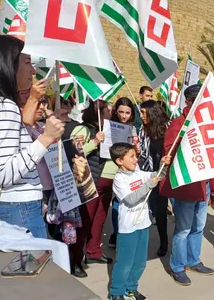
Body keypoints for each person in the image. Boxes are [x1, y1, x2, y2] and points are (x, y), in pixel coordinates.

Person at [0, 34, 64, 238]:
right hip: (17, 207)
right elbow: (5, 174)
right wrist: (46, 138)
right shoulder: (2, 105)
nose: (33, 71)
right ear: (8, 65)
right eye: (27, 63)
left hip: (10, 206)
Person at [160, 84, 214, 286]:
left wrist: (213, 186)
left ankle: (193, 260)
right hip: (185, 186)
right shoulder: (178, 124)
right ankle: (178, 266)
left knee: (198, 227)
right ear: (189, 102)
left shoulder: (206, 124)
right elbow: (169, 150)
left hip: (203, 186)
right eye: (198, 101)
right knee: (183, 229)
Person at [108, 142, 171, 300]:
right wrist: (150, 184)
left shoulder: (138, 172)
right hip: (128, 227)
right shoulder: (119, 179)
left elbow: (156, 175)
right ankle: (116, 294)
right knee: (125, 262)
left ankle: (131, 287)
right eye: (132, 157)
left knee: (140, 261)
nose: (136, 159)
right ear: (120, 161)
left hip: (143, 223)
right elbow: (130, 199)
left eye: (135, 156)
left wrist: (163, 165)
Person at [69, 100, 113, 273]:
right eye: (107, 110)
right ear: (98, 112)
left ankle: (93, 251)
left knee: (99, 219)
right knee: (84, 222)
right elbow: (75, 151)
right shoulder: (83, 129)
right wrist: (94, 142)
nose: (111, 112)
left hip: (104, 180)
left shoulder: (107, 129)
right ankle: (75, 260)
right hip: (89, 182)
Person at [139, 100, 171, 257]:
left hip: (168, 174)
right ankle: (163, 241)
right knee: (158, 211)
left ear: (152, 113)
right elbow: (143, 154)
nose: (141, 116)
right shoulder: (142, 130)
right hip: (151, 174)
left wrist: (168, 158)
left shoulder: (168, 127)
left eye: (143, 113)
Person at [107, 97, 139, 249]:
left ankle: (122, 233)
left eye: (127, 112)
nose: (124, 116)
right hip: (110, 169)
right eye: (121, 112)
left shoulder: (133, 128)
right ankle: (116, 233)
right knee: (116, 203)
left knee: (122, 201)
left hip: (127, 171)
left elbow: (135, 152)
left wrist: (136, 149)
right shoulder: (107, 125)